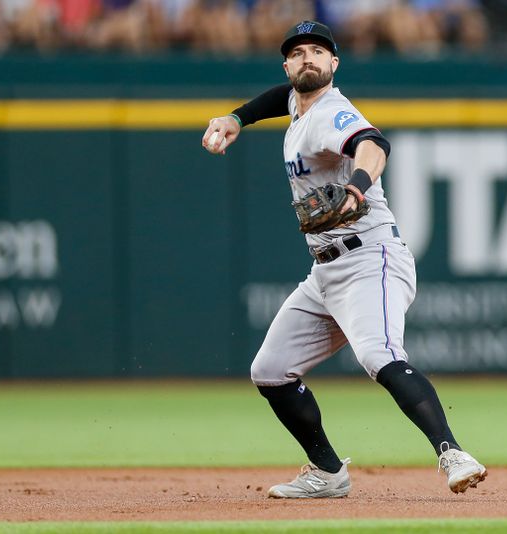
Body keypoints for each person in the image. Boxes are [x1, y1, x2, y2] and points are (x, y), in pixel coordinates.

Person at [201, 20, 487, 499]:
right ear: (288, 65)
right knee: (270, 370)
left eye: (318, 51)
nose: (307, 59)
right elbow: (279, 98)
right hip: (326, 271)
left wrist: (357, 186)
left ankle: (453, 452)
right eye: (297, 53)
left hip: (371, 257)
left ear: (334, 64)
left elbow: (374, 145)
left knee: (380, 355)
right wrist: (237, 118)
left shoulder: (332, 111)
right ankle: (328, 473)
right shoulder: (298, 103)